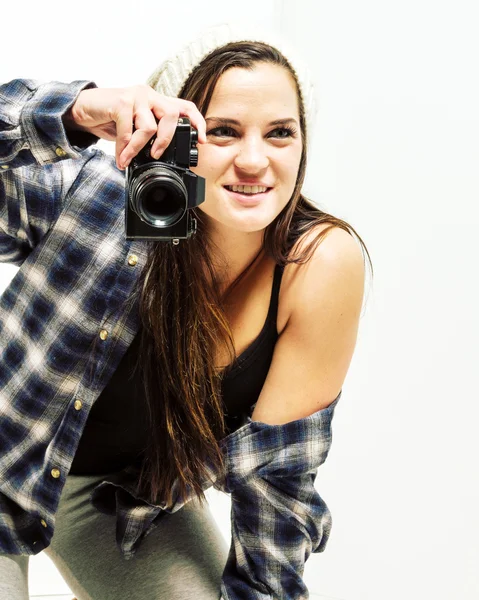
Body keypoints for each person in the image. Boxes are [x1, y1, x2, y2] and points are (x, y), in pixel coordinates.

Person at [0, 22, 371, 600]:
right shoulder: (97, 193)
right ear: (175, 137)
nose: (255, 161)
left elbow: (278, 486)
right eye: (223, 131)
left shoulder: (318, 264)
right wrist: (72, 111)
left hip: (121, 500)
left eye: (280, 133)